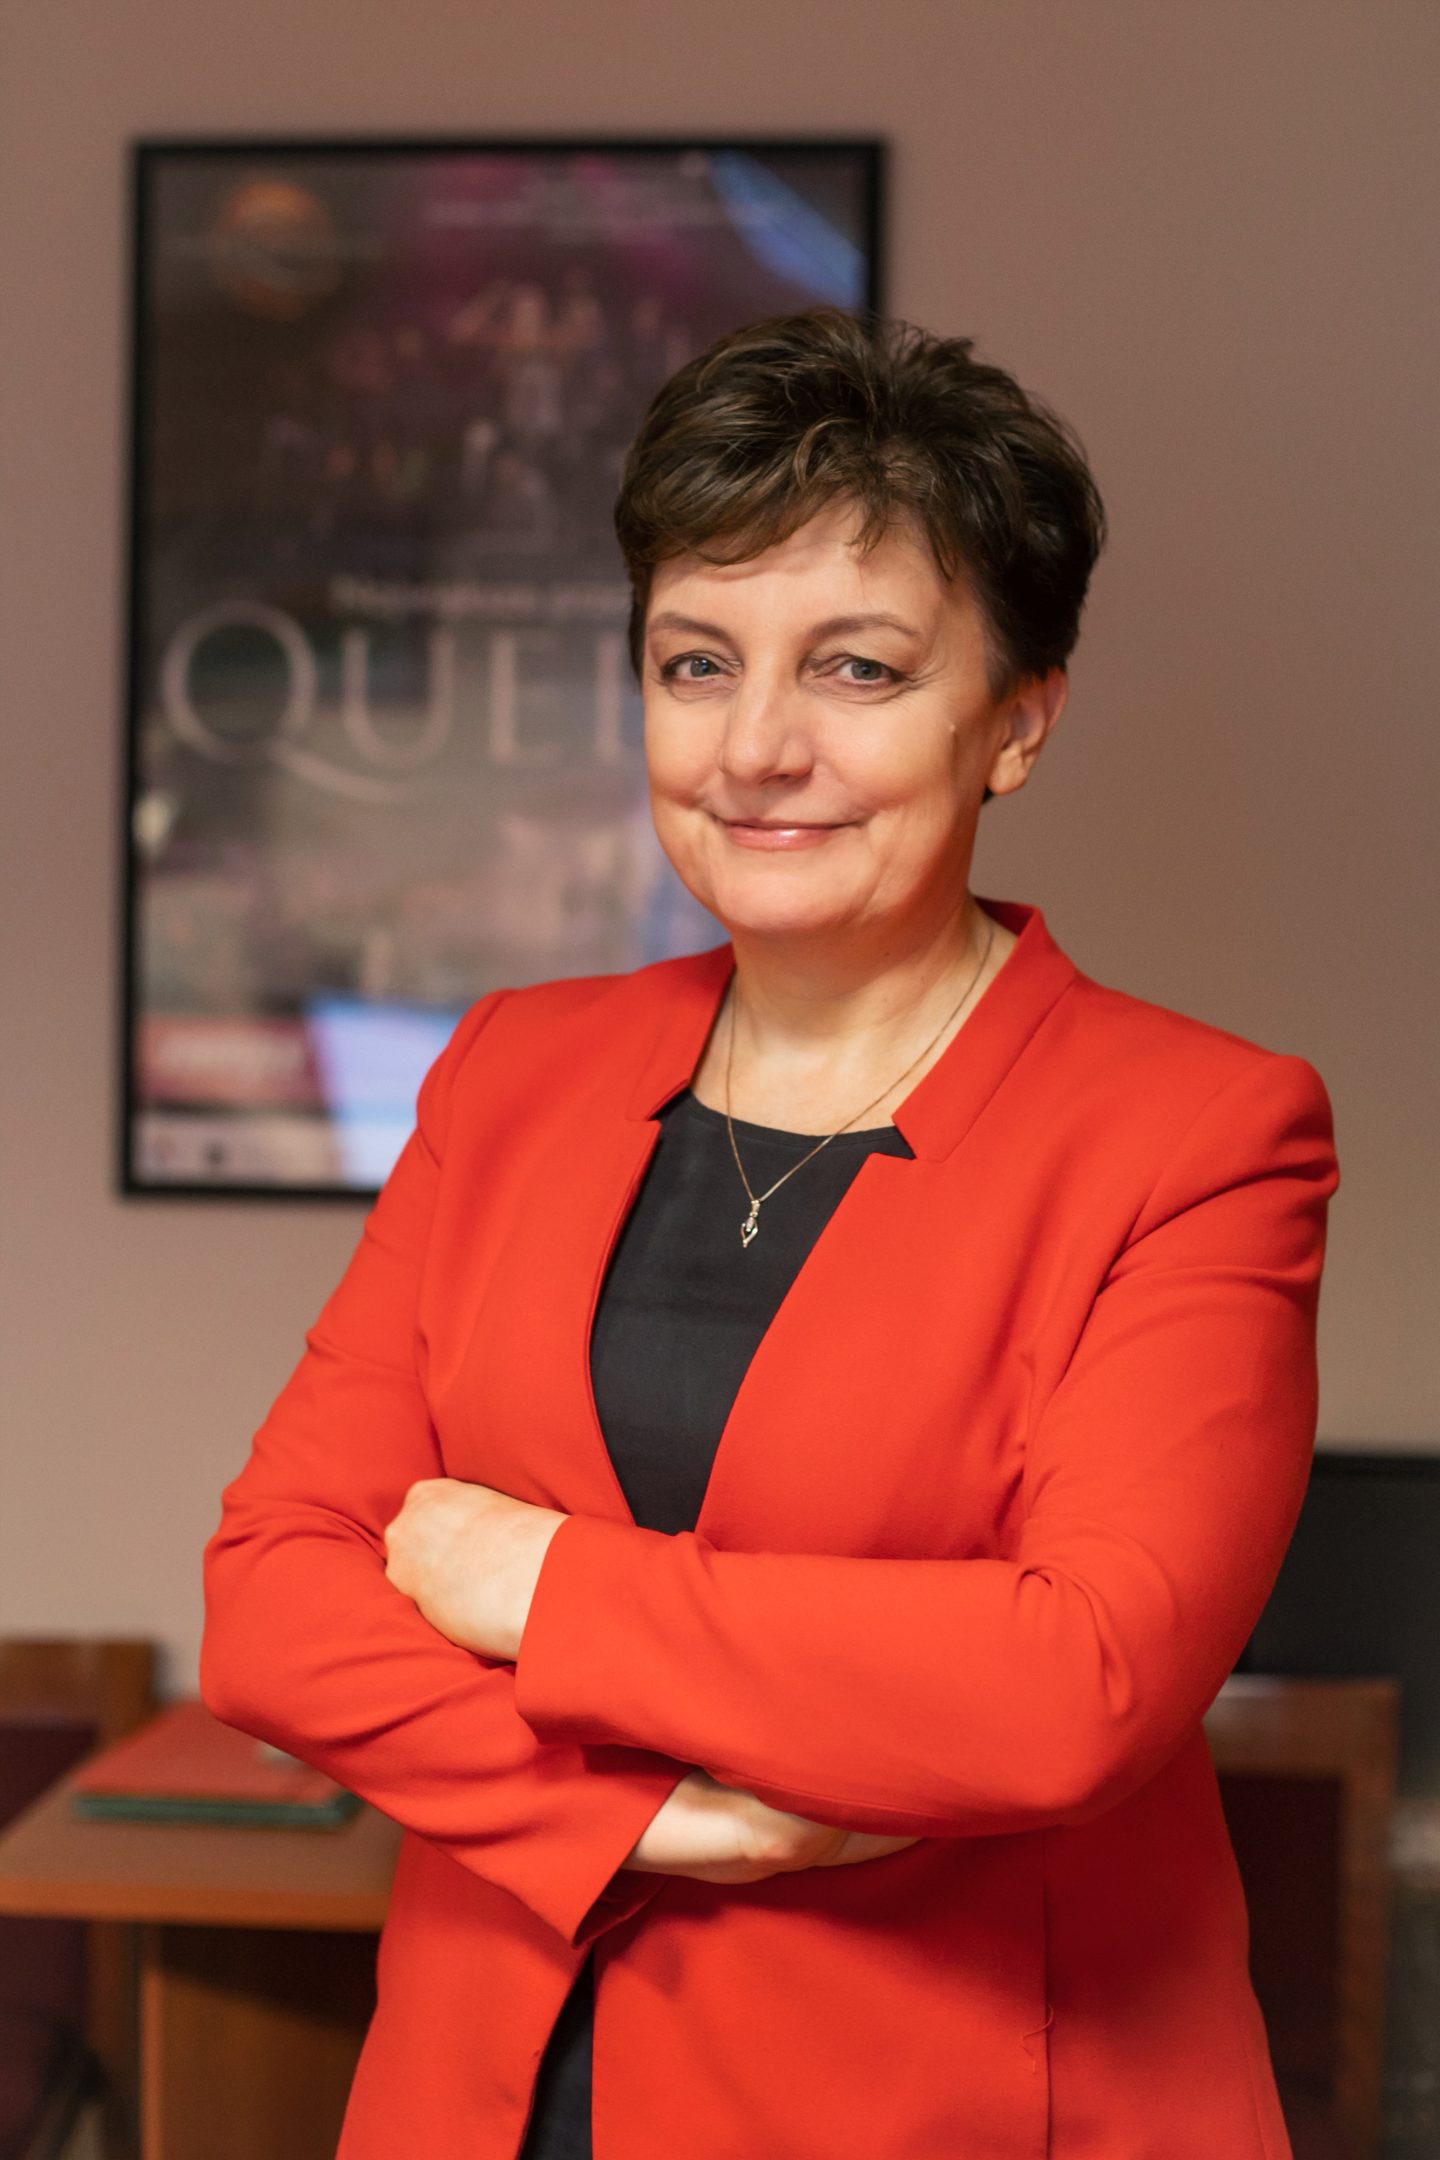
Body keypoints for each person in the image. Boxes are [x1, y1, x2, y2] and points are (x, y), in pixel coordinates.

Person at [200, 307, 1340, 2159]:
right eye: (696, 662)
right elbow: (269, 1598)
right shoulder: (512, 1071)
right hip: (486, 2089)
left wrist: (541, 1588)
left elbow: (1076, 1683)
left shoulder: (1199, 1136)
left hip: (948, 2105)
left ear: (1018, 720)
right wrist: (646, 1815)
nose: (755, 747)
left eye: (858, 670)